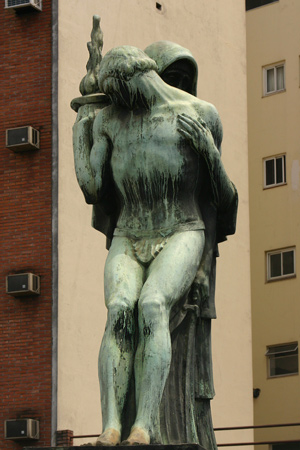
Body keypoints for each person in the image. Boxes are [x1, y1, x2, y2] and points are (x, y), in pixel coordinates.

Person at [73, 45, 237, 447]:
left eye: (123, 92)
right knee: (118, 311)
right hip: (130, 233)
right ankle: (111, 426)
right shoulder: (110, 121)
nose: (123, 103)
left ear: (138, 79)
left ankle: (144, 425)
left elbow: (224, 199)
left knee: (151, 305)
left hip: (182, 228)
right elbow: (93, 189)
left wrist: (210, 156)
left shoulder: (202, 115)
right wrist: (82, 127)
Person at [143, 41, 238, 449]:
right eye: (171, 78)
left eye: (186, 80)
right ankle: (141, 429)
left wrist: (209, 153)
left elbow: (224, 201)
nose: (179, 87)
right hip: (140, 254)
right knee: (137, 326)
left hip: (191, 257)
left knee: (184, 362)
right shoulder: (134, 133)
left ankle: (182, 436)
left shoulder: (199, 127)